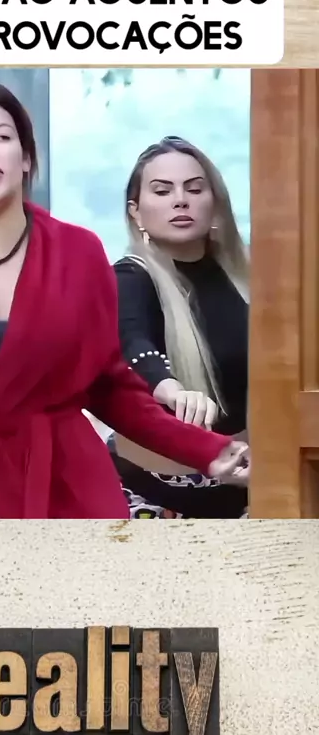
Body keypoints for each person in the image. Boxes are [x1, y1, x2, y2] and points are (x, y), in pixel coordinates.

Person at [0, 86, 249, 519]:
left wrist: (209, 451)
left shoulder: (79, 251)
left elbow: (110, 389)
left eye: (1, 137)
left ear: (26, 157)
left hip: (67, 484)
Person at [111, 136, 249, 519]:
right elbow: (130, 342)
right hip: (150, 494)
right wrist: (169, 388)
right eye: (162, 191)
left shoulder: (246, 279)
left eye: (194, 188)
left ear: (214, 203)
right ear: (136, 212)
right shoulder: (129, 277)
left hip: (245, 489)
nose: (180, 200)